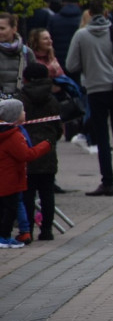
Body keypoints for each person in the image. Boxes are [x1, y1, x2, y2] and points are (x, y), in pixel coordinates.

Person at [66, 0, 113, 196]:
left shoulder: (81, 35)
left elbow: (71, 65)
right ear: (105, 12)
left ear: (89, 12)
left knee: (102, 138)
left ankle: (107, 182)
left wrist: (89, 64)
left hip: (95, 89)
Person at [15, 65, 62, 242]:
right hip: (47, 151)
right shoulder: (52, 100)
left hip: (26, 150)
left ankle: (28, 230)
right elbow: (58, 128)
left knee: (28, 194)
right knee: (47, 194)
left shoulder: (21, 100)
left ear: (26, 79)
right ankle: (47, 230)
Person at [0, 99, 52, 248]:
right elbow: (26, 155)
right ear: (14, 116)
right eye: (22, 111)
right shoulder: (13, 136)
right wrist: (45, 145)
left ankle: (6, 234)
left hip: (6, 179)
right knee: (11, 210)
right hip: (11, 181)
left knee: (5, 208)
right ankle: (4, 236)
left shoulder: (7, 133)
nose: (25, 113)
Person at [0, 13, 38, 94]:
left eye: (2, 28)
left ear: (14, 29)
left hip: (22, 100)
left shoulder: (26, 52)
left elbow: (36, 80)